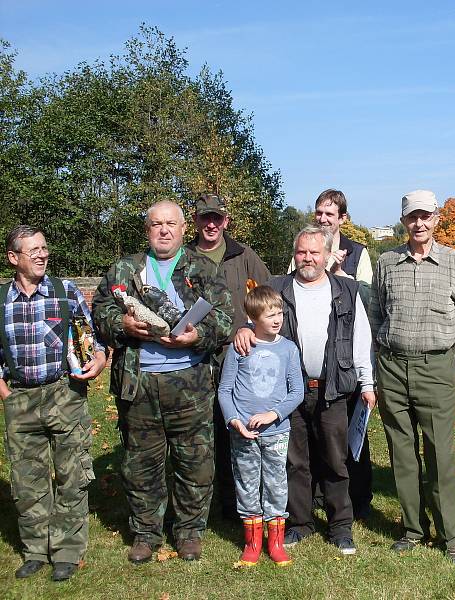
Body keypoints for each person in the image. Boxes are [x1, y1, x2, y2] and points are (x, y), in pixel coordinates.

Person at [92, 200, 233, 564]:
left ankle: (189, 532)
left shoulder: (202, 268)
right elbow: (100, 310)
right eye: (157, 224)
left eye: (171, 223)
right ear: (147, 230)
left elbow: (225, 318)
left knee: (195, 462)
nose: (164, 230)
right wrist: (121, 325)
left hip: (190, 383)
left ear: (185, 228)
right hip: (138, 384)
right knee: (141, 463)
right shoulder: (125, 269)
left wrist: (196, 335)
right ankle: (145, 533)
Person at [236, 224, 375, 555]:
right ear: (294, 255)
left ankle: (340, 526)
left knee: (336, 460)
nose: (308, 258)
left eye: (314, 252)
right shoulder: (278, 287)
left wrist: (367, 383)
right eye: (301, 252)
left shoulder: (347, 290)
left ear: (327, 256)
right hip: (289, 391)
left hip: (334, 389)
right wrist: (243, 328)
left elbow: (361, 341)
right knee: (295, 461)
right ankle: (300, 523)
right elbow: (257, 313)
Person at [369, 190, 455, 565]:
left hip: (436, 368)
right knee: (402, 453)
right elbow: (375, 314)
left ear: (436, 220)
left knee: (440, 454)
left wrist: (453, 365)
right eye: (412, 217)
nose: (419, 224)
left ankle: (452, 535)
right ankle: (413, 529)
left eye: (425, 216)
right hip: (394, 368)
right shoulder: (387, 262)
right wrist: (384, 356)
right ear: (403, 221)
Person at [0, 225, 106, 582]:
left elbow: (89, 337)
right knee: (27, 480)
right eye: (34, 250)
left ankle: (66, 551)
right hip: (20, 399)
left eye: (45, 248)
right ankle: (35, 550)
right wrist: (5, 393)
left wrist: (99, 359)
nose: (42, 254)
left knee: (71, 475)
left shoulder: (65, 291)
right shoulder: (1, 300)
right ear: (14, 258)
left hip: (65, 395)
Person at [288, 189, 375, 519]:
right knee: (309, 438)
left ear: (343, 219)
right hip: (305, 371)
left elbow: (365, 297)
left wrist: (337, 273)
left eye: (330, 213)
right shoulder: (304, 247)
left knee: (348, 440)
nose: (323, 218)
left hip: (344, 363)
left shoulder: (358, 252)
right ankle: (310, 501)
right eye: (319, 213)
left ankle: (358, 499)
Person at [186, 192, 271, 521]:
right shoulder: (184, 257)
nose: (211, 224)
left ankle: (242, 503)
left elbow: (267, 297)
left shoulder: (244, 256)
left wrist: (250, 326)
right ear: (195, 221)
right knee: (200, 434)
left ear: (226, 221)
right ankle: (205, 506)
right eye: (204, 218)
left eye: (216, 218)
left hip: (237, 357)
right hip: (194, 357)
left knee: (236, 429)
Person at [217, 285, 303, 566]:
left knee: (277, 485)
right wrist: (234, 421)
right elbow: (224, 390)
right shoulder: (239, 348)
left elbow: (297, 392)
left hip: (276, 433)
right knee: (247, 484)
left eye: (280, 313)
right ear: (253, 318)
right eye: (270, 315)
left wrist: (273, 415)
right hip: (243, 433)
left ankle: (275, 542)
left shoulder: (289, 349)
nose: (277, 320)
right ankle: (252, 543)